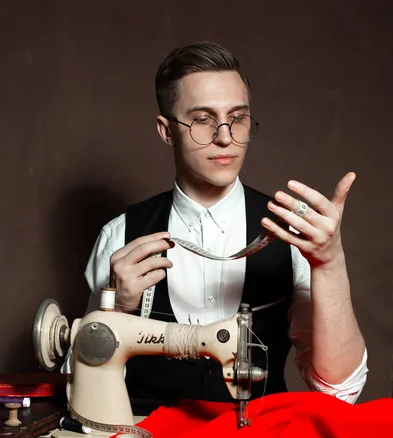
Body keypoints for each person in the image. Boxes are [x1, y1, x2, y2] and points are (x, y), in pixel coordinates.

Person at [81, 41, 367, 410]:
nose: (225, 137)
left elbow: (340, 392)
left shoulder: (291, 232)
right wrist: (116, 310)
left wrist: (331, 263)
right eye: (202, 119)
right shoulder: (119, 235)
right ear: (166, 130)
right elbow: (88, 388)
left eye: (238, 118)